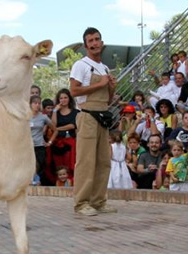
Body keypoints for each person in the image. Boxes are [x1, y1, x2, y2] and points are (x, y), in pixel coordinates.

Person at [69, 27, 117, 216]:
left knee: (104, 161)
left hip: (102, 116)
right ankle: (81, 202)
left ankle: (99, 200)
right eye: (91, 41)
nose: (95, 43)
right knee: (86, 161)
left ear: (102, 42)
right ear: (86, 45)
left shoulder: (104, 68)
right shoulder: (81, 65)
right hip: (87, 115)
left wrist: (111, 87)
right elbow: (74, 91)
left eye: (97, 39)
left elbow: (108, 98)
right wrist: (100, 84)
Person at [29, 95, 57, 186]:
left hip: (40, 145)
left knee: (41, 165)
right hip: (28, 146)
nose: (37, 105)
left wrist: (49, 142)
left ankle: (37, 181)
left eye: (39, 103)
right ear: (30, 104)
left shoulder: (43, 117)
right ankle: (30, 182)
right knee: (29, 166)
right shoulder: (25, 116)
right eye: (35, 103)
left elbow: (55, 130)